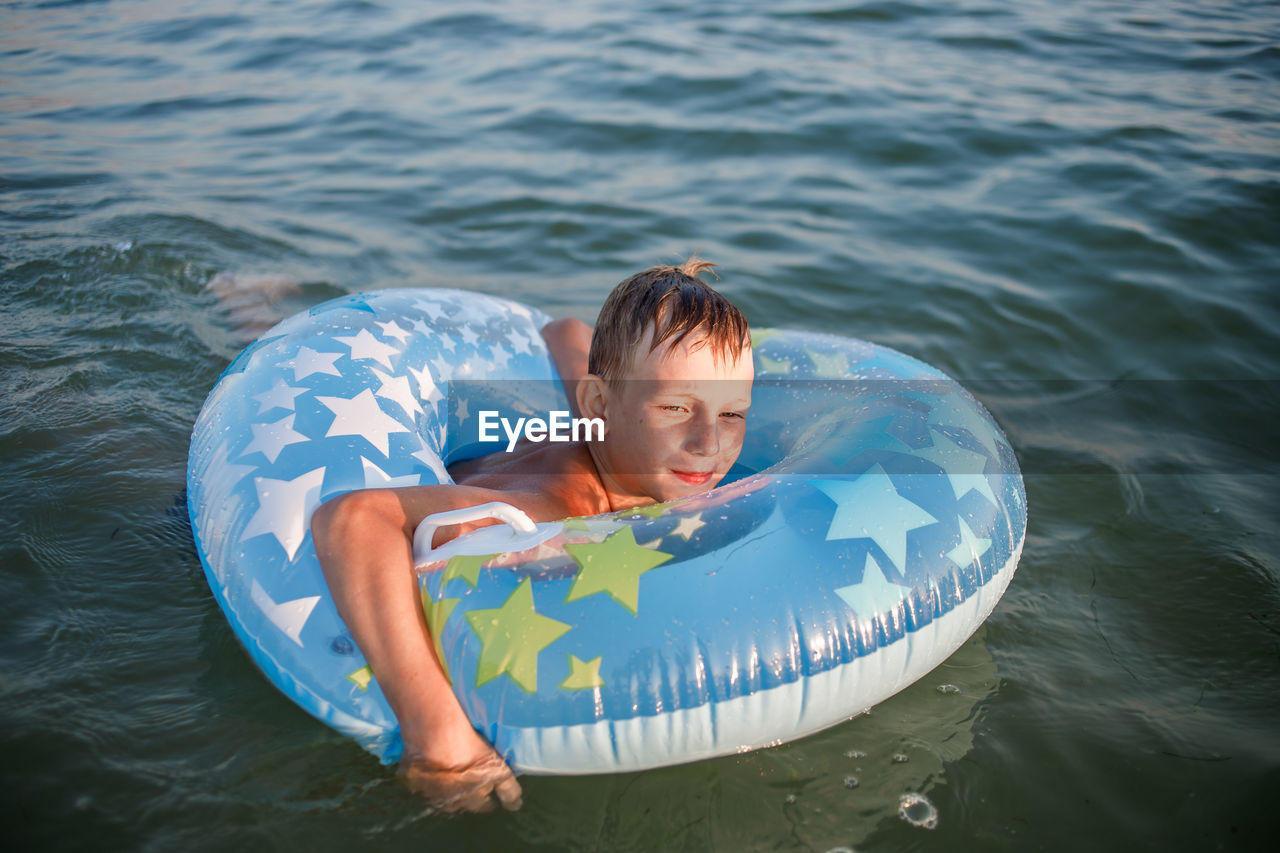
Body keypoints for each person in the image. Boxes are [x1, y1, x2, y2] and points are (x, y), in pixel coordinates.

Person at [309, 258, 753, 814]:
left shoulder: (602, 420)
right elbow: (352, 520)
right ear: (599, 405)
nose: (708, 443)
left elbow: (564, 331)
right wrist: (437, 734)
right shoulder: (556, 506)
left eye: (733, 413)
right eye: (675, 408)